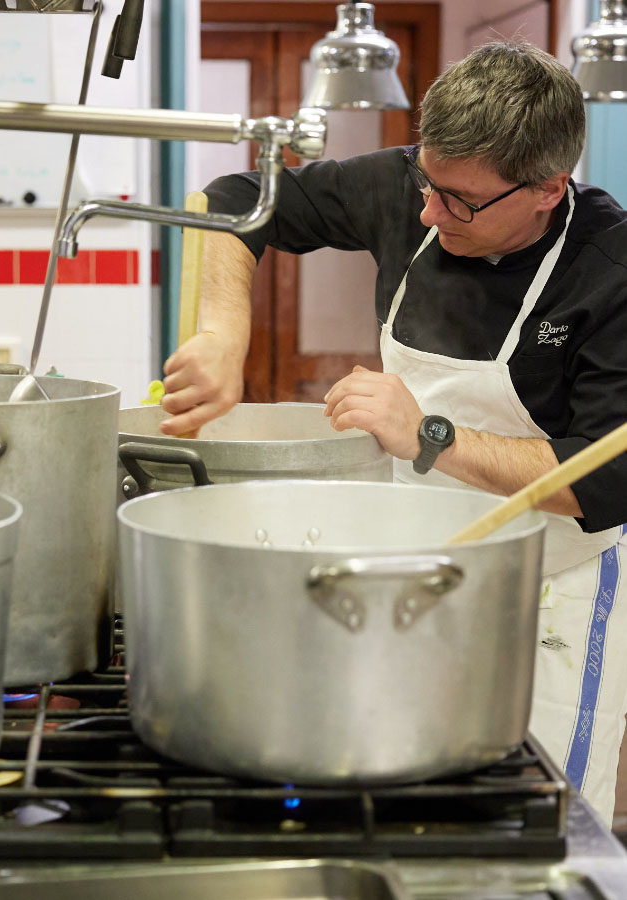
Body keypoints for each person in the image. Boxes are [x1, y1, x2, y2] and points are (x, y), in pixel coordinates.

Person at [157, 39, 627, 827]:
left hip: (550, 593)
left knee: (542, 823)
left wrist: (432, 435)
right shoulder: (419, 185)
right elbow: (234, 199)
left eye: (460, 202)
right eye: (427, 183)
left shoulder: (610, 269)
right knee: (409, 801)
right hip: (411, 574)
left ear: (549, 188)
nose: (427, 214)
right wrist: (221, 335)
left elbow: (602, 483)